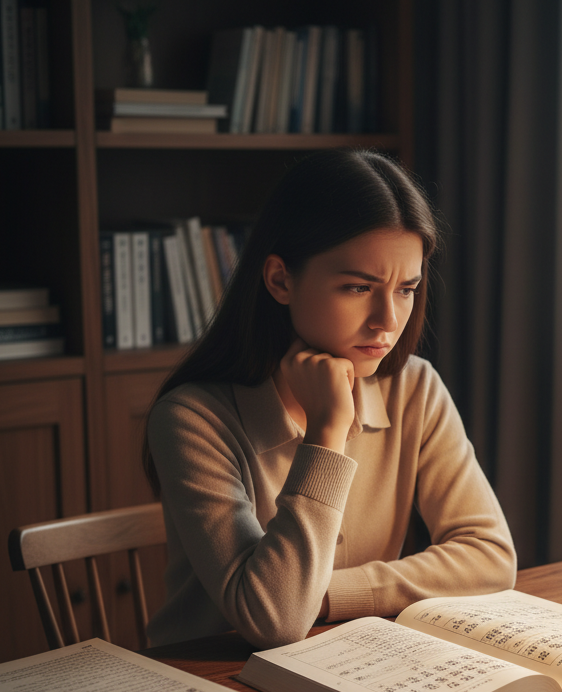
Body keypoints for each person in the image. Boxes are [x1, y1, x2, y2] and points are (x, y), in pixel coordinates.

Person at [143, 150, 516, 648]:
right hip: (207, 680)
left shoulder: (414, 389)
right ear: (280, 280)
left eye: (406, 288)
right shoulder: (191, 419)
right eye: (358, 287)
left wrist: (326, 595)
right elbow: (274, 619)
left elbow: (490, 555)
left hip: (349, 660)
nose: (387, 320)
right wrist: (327, 431)